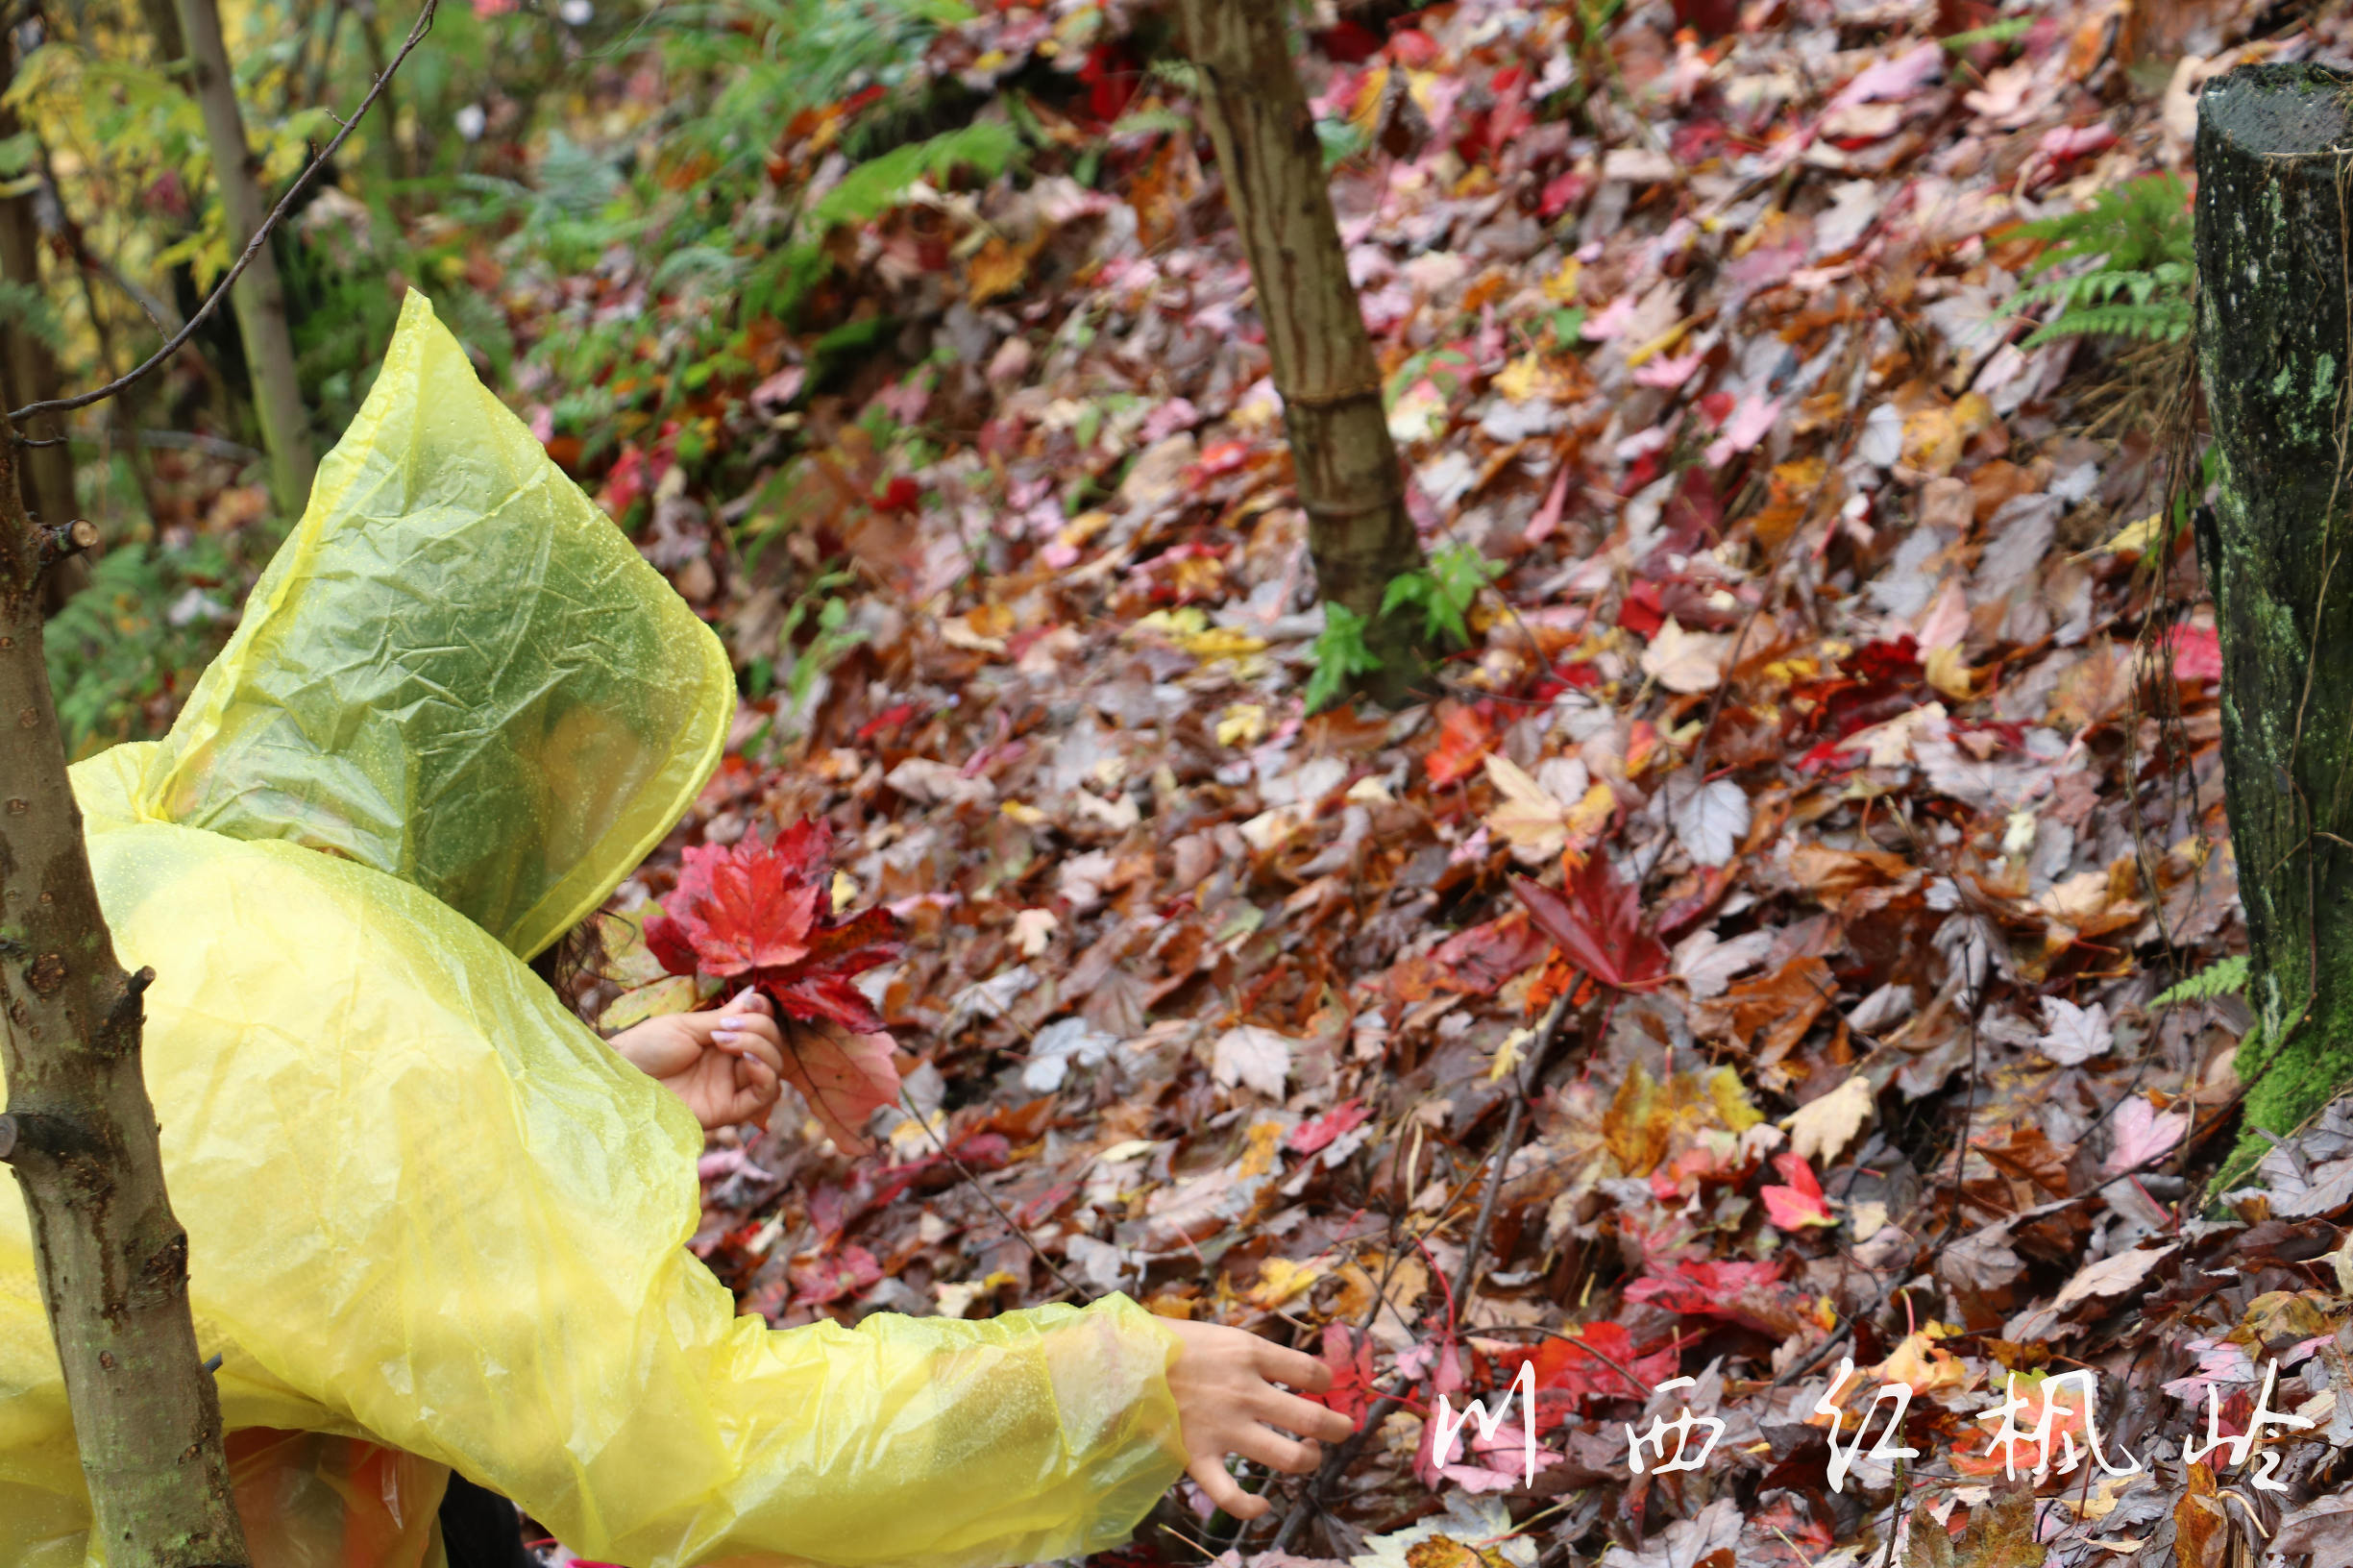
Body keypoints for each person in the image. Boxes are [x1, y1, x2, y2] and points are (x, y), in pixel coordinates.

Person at [0, 293, 1350, 1568]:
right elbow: (692, 1450)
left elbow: (270, 1206)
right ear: (484, 768)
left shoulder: (115, 836)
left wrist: (569, 1091)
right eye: (570, 788)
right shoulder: (360, 1028)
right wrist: (1113, 1385)